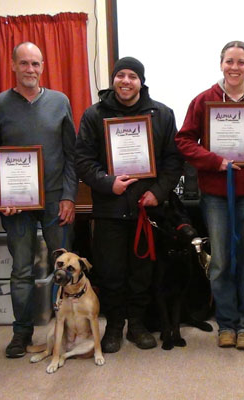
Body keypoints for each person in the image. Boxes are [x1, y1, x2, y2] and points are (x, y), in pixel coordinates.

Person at [175, 41, 244, 350]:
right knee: (220, 261)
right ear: (221, 64)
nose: (235, 67)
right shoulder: (204, 100)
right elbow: (183, 141)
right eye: (229, 61)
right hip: (216, 195)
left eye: (241, 62)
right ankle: (227, 322)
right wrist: (214, 161)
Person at [76, 56, 184, 352]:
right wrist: (106, 181)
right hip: (109, 208)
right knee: (111, 273)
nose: (125, 81)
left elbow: (174, 161)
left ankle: (136, 325)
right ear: (114, 80)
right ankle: (113, 326)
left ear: (141, 81)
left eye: (132, 76)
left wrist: (158, 194)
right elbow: (83, 161)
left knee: (142, 272)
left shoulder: (162, 114)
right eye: (120, 75)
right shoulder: (93, 115)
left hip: (145, 210)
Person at [0, 42, 77, 358]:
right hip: (17, 205)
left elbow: (71, 155)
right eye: (24, 63)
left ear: (42, 67)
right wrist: (0, 194)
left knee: (65, 267)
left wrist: (68, 196)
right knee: (21, 270)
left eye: (36, 64)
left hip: (54, 201)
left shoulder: (60, 101)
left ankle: (67, 328)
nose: (30, 70)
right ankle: (21, 333)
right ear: (13, 65)